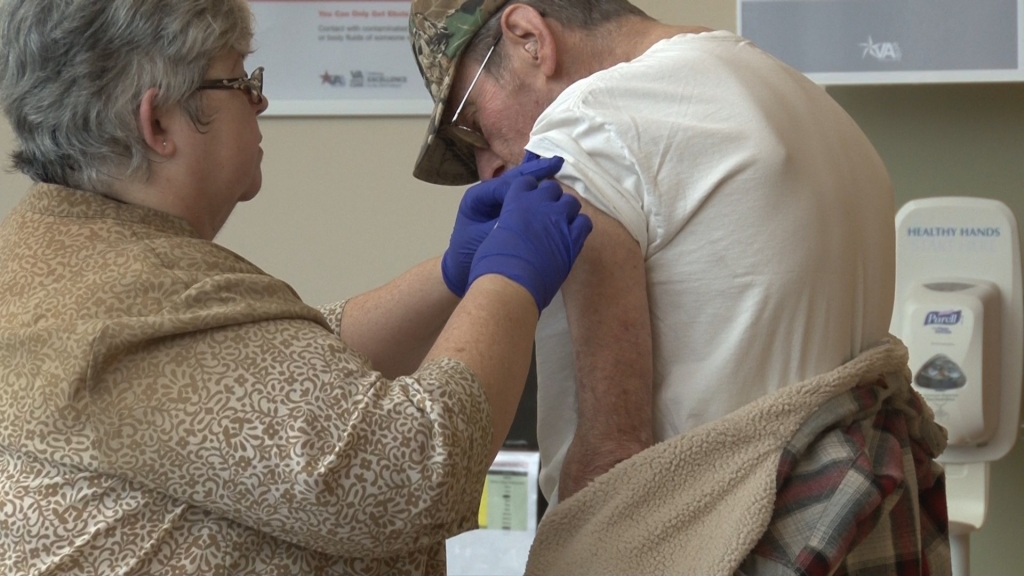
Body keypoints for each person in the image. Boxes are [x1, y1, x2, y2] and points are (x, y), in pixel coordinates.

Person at [0, 0, 591, 574]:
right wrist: (509, 276)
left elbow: (290, 369)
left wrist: (450, 276)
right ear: (157, 122)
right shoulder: (115, 300)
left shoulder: (62, 256)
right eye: (239, 82)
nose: (261, 101)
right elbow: (408, 470)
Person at [408, 0, 951, 574]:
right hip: (861, 531)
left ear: (528, 37)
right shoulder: (806, 100)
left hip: (727, 544)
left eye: (471, 125)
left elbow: (612, 462)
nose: (488, 166)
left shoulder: (587, 126)